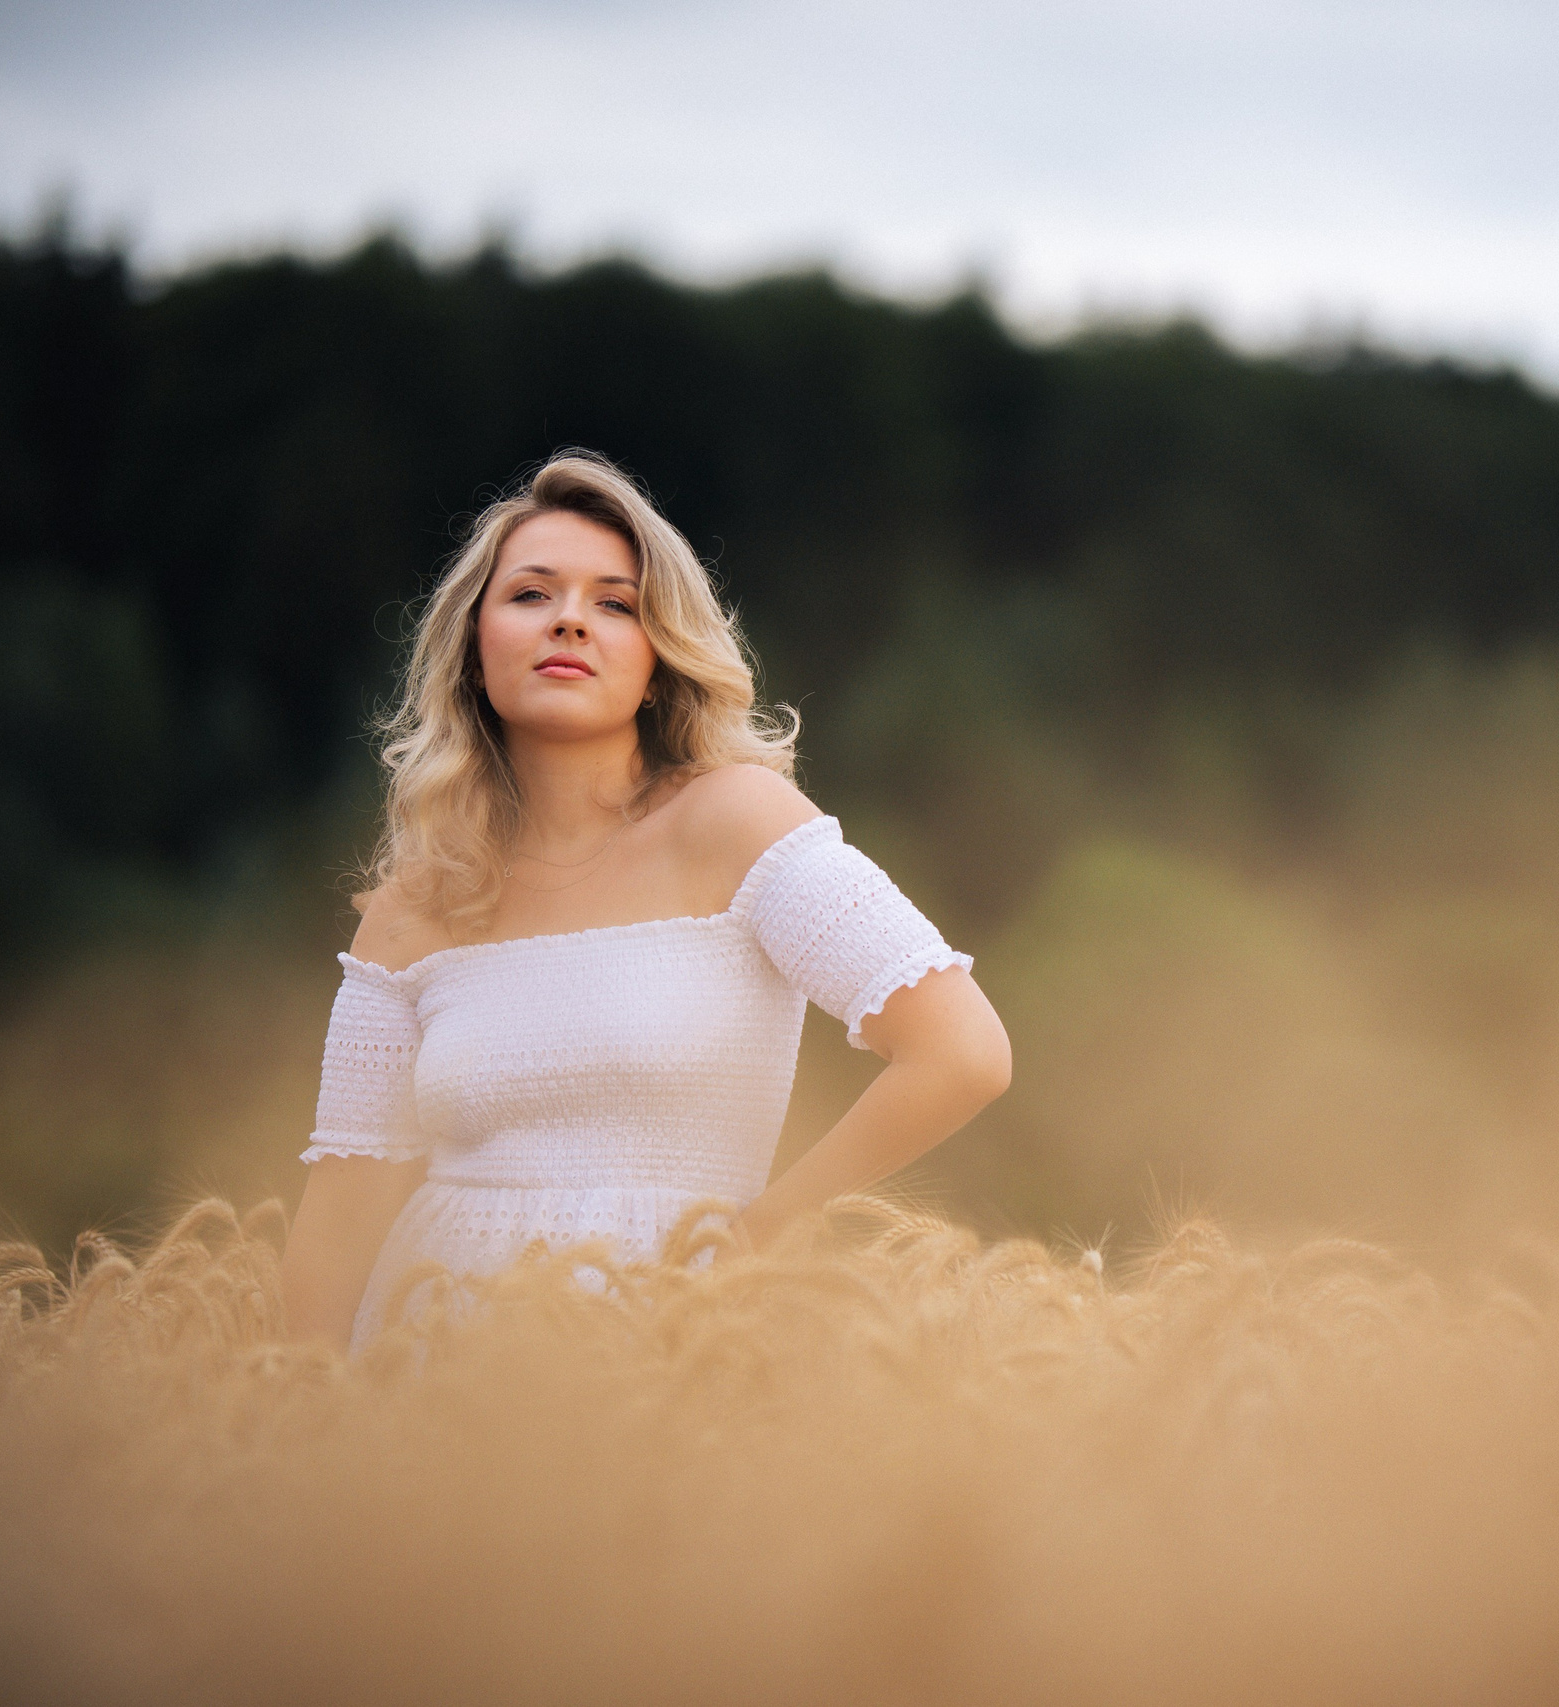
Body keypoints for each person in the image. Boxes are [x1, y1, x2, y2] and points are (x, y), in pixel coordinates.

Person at [276, 451, 1011, 1352]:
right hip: (426, 1374)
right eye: (531, 595)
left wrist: (758, 1241)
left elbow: (962, 1051)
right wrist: (291, 1426)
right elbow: (340, 1216)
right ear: (474, 647)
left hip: (667, 1362)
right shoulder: (414, 903)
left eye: (615, 603)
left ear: (660, 658)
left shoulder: (738, 822)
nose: (571, 622)